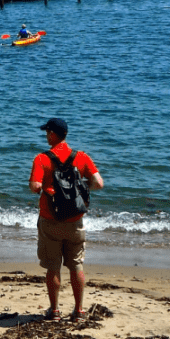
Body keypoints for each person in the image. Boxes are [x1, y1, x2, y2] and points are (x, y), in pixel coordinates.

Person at [28, 118, 104, 323]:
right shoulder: (81, 156)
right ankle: (79, 311)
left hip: (50, 219)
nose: (46, 135)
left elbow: (35, 187)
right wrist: (80, 186)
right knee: (76, 265)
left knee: (53, 266)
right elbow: (98, 183)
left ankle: (54, 311)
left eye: (47, 132)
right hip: (75, 219)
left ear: (53, 134)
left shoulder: (42, 158)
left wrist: (45, 185)